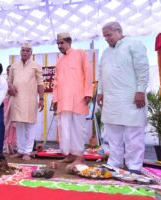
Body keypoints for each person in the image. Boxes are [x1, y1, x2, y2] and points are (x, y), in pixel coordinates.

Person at [97, 22, 149, 174]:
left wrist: (140, 91)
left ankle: (134, 166)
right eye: (104, 36)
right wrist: (100, 92)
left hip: (130, 97)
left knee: (133, 134)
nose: (106, 38)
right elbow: (101, 74)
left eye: (109, 35)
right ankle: (115, 162)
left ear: (119, 31)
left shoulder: (134, 44)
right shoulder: (106, 52)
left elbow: (143, 68)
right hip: (111, 99)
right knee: (113, 133)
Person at [53, 32, 93, 170]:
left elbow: (88, 73)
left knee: (78, 128)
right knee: (65, 128)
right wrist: (55, 98)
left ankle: (79, 157)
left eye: (61, 43)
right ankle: (69, 155)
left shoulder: (80, 53)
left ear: (69, 41)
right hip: (63, 99)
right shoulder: (59, 59)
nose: (59, 46)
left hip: (78, 97)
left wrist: (88, 92)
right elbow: (56, 81)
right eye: (58, 43)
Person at [9, 43, 44, 161]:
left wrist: (42, 99)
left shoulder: (36, 66)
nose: (24, 52)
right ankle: (20, 150)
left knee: (30, 125)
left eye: (27, 51)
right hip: (17, 99)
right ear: (20, 51)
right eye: (23, 50)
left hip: (30, 101)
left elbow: (40, 83)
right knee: (19, 125)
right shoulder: (14, 66)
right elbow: (8, 81)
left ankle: (27, 151)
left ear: (31, 53)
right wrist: (10, 87)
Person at [3, 65, 17, 154]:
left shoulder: (15, 81)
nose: (9, 72)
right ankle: (6, 145)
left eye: (11, 70)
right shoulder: (4, 81)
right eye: (8, 70)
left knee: (13, 125)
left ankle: (13, 145)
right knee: (5, 124)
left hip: (14, 103)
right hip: (5, 103)